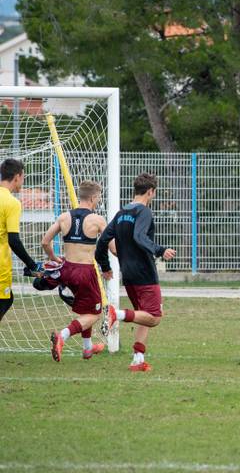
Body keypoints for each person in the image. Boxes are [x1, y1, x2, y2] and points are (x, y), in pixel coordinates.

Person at [96, 173, 176, 372]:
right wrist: (160, 250)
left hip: (128, 274)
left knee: (143, 314)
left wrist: (105, 266)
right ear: (150, 192)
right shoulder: (144, 212)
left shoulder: (121, 213)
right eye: (154, 194)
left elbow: (102, 241)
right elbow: (139, 237)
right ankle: (118, 313)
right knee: (155, 317)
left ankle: (138, 359)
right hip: (144, 273)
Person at [40, 180, 108, 360]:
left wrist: (54, 259)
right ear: (93, 197)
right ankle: (62, 336)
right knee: (95, 313)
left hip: (66, 270)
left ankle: (87, 348)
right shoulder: (97, 219)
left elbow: (45, 242)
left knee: (86, 309)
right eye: (98, 198)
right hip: (85, 271)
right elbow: (113, 247)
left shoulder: (64, 217)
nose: (98, 201)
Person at [1, 159, 42, 322]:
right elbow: (14, 240)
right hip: (1, 269)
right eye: (23, 177)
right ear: (17, 177)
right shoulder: (12, 203)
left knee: (8, 299)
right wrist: (32, 265)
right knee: (5, 301)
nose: (22, 182)